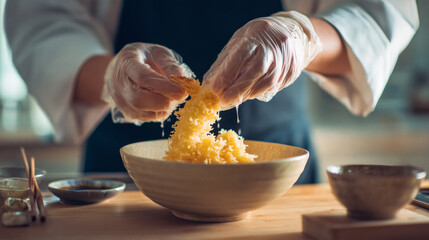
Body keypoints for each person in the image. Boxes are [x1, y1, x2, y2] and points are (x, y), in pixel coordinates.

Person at [5, 1, 418, 184]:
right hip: (126, 167)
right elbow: (42, 22)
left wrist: (303, 38)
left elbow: (376, 13)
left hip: (278, 156)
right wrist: (112, 75)